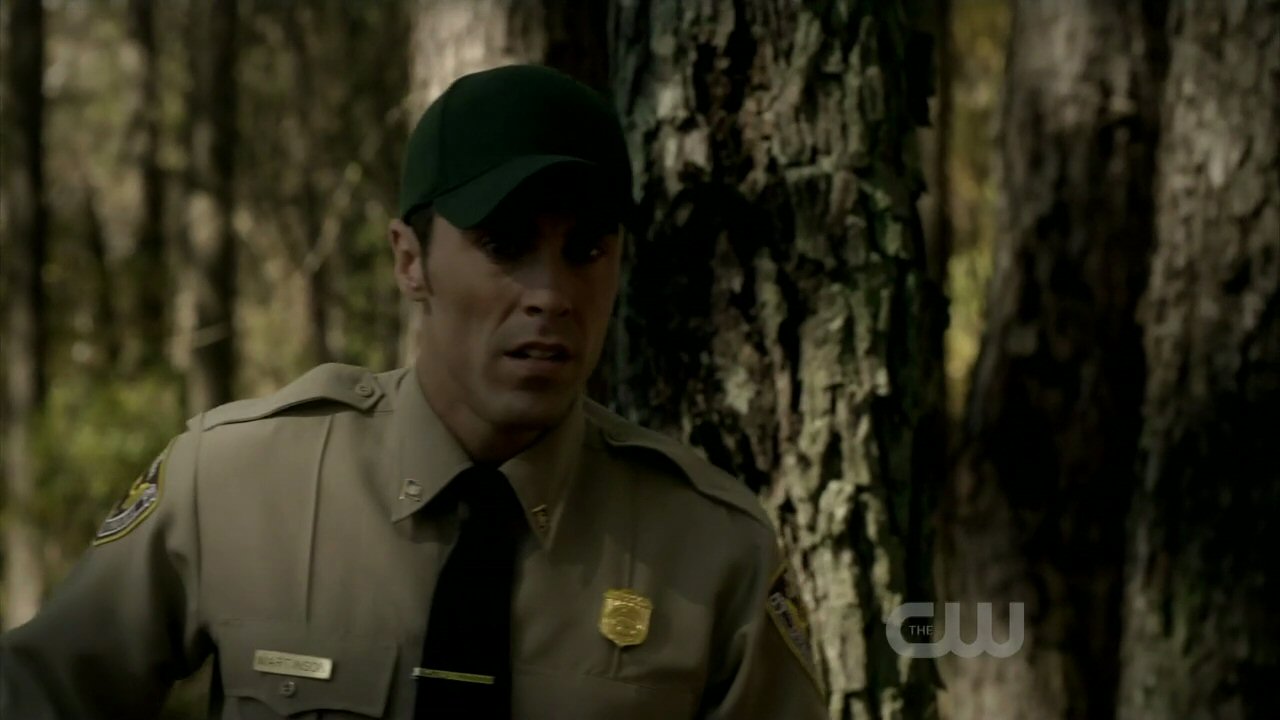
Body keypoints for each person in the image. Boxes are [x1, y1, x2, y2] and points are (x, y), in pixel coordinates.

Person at [0, 64, 826, 720]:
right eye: (504, 244)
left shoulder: (711, 553)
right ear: (409, 260)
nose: (550, 294)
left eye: (586, 250)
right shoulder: (238, 484)